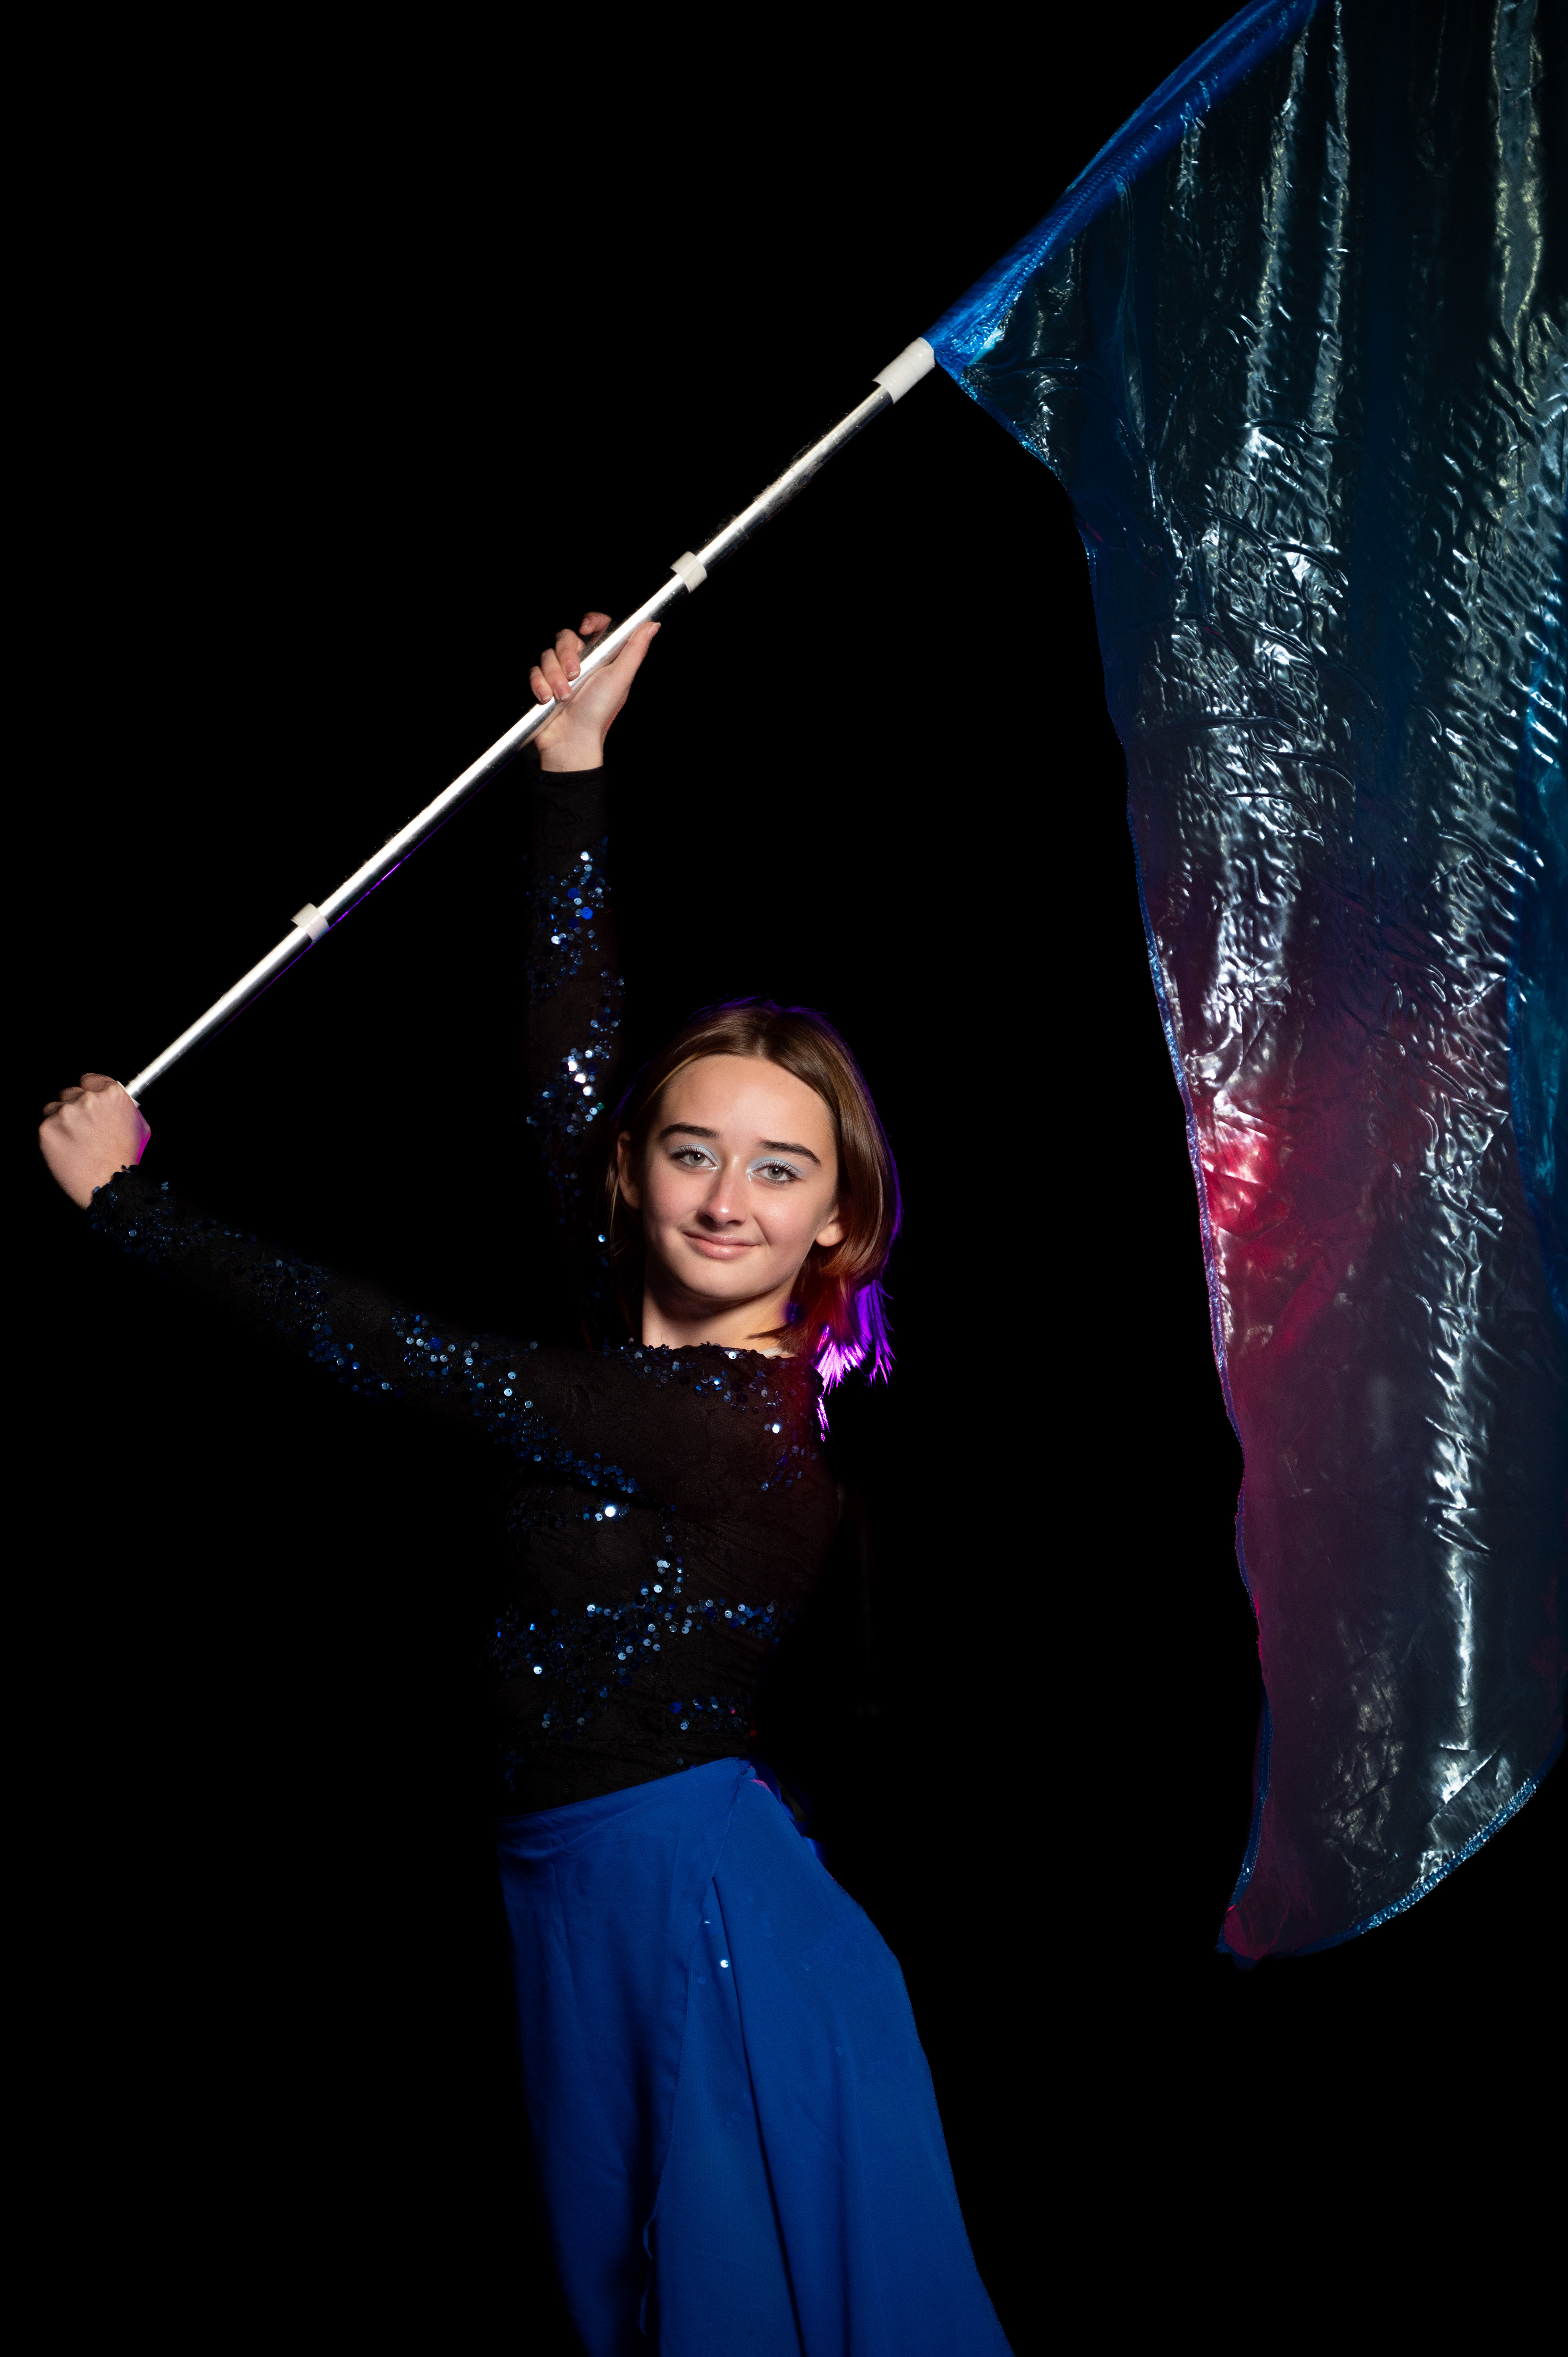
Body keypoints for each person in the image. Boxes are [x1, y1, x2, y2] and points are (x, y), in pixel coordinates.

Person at [39, 615, 1013, 2357]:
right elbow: (573, 1066)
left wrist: (134, 1210)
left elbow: (411, 1356)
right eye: (692, 1152)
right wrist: (571, 768)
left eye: (779, 1171)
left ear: (837, 1222)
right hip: (571, 1893)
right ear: (637, 1174)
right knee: (623, 2309)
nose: (726, 1200)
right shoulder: (624, 1314)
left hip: (697, 1913)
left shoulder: (730, 1422)